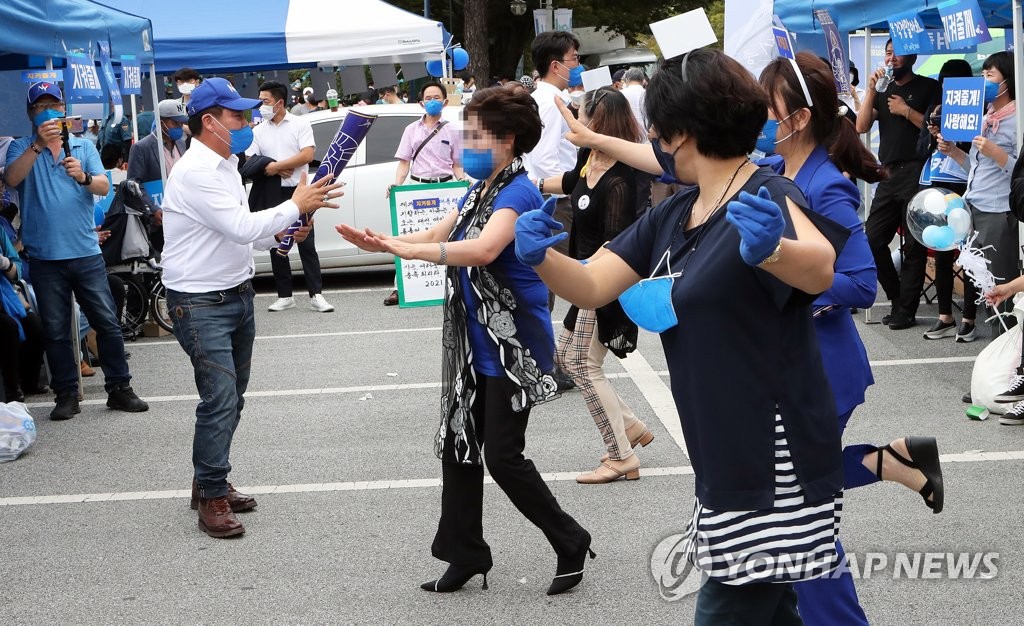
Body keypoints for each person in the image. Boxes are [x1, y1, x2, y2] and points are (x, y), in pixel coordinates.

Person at [516, 48, 845, 621]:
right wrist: (540, 256)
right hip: (721, 451)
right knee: (774, 611)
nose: (654, 139)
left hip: (769, 457)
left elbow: (819, 267)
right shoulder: (677, 213)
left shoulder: (766, 194)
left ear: (680, 132)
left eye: (658, 128)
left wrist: (773, 250)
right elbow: (593, 283)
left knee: (728, 607)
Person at [337, 86, 593, 596]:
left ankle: (570, 539)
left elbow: (481, 250)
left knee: (502, 456)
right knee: (459, 447)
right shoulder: (481, 188)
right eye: (467, 130)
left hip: (511, 345)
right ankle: (464, 553)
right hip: (471, 343)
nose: (467, 141)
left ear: (509, 139)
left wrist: (406, 249)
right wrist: (389, 244)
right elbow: (442, 231)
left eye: (478, 133)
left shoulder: (518, 191)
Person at [758, 52, 945, 626]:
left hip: (822, 369)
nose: (762, 114)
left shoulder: (826, 185)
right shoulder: (773, 166)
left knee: (801, 516)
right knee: (781, 491)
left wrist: (794, 284)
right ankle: (892, 461)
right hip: (787, 366)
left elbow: (862, 284)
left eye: (771, 105)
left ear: (798, 115)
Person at [161, 77, 342, 538]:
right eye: (237, 116)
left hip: (234, 294)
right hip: (200, 301)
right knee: (220, 398)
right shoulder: (198, 171)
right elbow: (241, 227)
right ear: (209, 122)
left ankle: (209, 481)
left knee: (231, 397)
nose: (246, 122)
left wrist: (287, 230)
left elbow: (248, 232)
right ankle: (213, 495)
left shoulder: (223, 164)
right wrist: (294, 204)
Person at [3, 82, 149, 421]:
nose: (48, 112)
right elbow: (11, 179)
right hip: (44, 257)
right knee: (56, 330)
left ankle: (120, 388)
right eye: (40, 107)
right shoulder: (21, 147)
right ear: (30, 114)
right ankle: (66, 394)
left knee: (106, 323)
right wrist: (39, 145)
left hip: (84, 252)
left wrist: (83, 177)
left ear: (64, 109)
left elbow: (103, 185)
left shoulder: (83, 146)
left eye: (53, 105)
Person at [535, 87, 648, 483]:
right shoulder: (589, 158)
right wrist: (532, 187)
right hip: (584, 277)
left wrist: (578, 270)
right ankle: (630, 426)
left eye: (584, 116)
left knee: (583, 364)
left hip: (602, 279)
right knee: (568, 357)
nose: (577, 123)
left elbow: (616, 242)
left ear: (602, 122)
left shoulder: (621, 179)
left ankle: (621, 456)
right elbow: (570, 182)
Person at [856, 39, 941, 330]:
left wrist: (906, 111)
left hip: (917, 170)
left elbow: (935, 128)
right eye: (887, 52)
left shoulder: (928, 87)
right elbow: (861, 126)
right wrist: (870, 91)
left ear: (911, 54)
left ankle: (906, 311)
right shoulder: (883, 88)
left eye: (896, 52)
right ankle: (896, 297)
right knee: (872, 239)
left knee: (914, 244)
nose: (890, 58)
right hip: (888, 173)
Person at [937, 51, 1018, 343]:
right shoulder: (985, 117)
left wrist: (997, 153)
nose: (984, 81)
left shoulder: (1017, 119)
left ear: (1008, 80)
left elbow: (1018, 171)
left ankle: (1007, 356)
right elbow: (975, 167)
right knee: (985, 285)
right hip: (974, 207)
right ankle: (999, 356)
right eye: (982, 75)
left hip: (998, 211)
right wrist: (954, 152)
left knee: (1002, 287)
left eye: (990, 76)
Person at [248, 81, 333, 314]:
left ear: (279, 102)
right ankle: (284, 295)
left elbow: (307, 154)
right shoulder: (257, 130)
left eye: (264, 101)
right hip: (272, 190)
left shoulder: (300, 124)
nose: (261, 106)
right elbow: (251, 161)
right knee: (276, 241)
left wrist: (275, 166)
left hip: (299, 189)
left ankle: (316, 294)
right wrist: (273, 167)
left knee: (306, 241)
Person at [382, 81, 465, 306]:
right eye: (428, 98)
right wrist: (397, 184)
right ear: (421, 103)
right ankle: (401, 288)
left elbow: (457, 164)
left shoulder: (452, 130)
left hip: (445, 190)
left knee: (449, 239)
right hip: (417, 190)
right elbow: (404, 163)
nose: (432, 102)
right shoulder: (411, 130)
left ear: (445, 101)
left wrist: (463, 182)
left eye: (436, 97)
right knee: (410, 238)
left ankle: (452, 287)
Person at [919, 60, 974, 341]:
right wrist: (932, 137)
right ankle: (945, 316)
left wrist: (955, 145)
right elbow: (921, 150)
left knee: (970, 256)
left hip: (965, 189)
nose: (948, 87)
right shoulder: (935, 111)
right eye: (945, 81)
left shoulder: (974, 112)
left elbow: (976, 153)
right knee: (942, 251)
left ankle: (970, 318)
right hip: (938, 190)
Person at [126, 99, 189, 236]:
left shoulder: (182, 144)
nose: (179, 126)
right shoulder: (141, 148)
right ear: (161, 123)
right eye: (174, 123)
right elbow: (134, 184)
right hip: (159, 220)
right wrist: (152, 210)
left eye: (181, 123)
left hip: (184, 215)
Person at [0, 224, 46, 402]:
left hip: (6, 293)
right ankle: (12, 390)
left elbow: (16, 268)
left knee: (36, 327)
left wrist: (6, 263)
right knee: (8, 327)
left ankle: (29, 382)